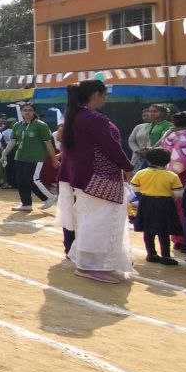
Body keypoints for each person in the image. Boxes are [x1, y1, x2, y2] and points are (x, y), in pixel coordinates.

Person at [58, 80, 133, 282]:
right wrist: (128, 167)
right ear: (96, 95)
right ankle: (90, 265)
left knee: (90, 221)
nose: (105, 99)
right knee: (100, 222)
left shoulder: (75, 117)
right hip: (100, 178)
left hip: (85, 178)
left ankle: (89, 263)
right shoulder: (92, 118)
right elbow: (111, 147)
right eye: (104, 95)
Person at [132, 147, 182, 266]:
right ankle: (166, 256)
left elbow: (135, 188)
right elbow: (178, 194)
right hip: (165, 204)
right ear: (167, 161)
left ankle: (151, 254)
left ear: (149, 159)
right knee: (164, 231)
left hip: (145, 203)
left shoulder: (141, 173)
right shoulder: (172, 176)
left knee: (148, 230)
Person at [8, 104, 58, 212]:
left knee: (33, 179)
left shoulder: (41, 125)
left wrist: (54, 159)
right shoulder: (17, 125)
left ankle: (49, 197)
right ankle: (26, 204)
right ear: (21, 112)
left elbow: (48, 144)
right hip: (20, 157)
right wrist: (4, 153)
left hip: (36, 157)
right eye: (25, 110)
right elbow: (12, 141)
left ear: (34, 112)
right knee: (21, 180)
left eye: (30, 110)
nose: (27, 112)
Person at [157, 111, 186, 251]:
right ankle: (184, 240)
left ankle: (177, 239)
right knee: (185, 210)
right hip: (184, 178)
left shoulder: (169, 136)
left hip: (167, 176)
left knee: (175, 209)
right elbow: (182, 162)